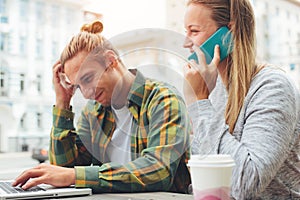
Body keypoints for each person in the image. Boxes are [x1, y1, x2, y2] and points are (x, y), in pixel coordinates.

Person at [13, 21, 192, 194]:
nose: (86, 93)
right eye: (77, 86)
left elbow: (159, 171)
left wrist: (76, 176)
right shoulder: (93, 112)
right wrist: (62, 102)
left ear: (110, 61)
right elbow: (63, 172)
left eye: (88, 79)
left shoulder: (163, 99)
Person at [182, 0, 300, 199]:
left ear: (229, 31)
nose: (186, 43)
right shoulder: (215, 90)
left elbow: (245, 185)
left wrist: (200, 104)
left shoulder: (272, 87)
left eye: (194, 31)